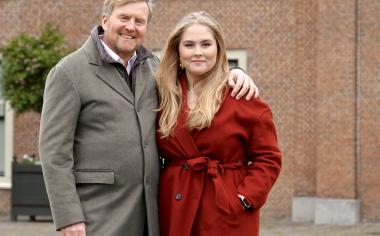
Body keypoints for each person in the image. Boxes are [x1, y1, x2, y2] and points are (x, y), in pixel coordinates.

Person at [39, 1, 258, 236]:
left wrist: (234, 73)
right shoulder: (69, 72)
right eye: (124, 18)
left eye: (139, 21)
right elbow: (54, 153)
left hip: (150, 214)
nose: (131, 27)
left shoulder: (155, 68)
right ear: (105, 20)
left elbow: (199, 73)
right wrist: (69, 218)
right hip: (98, 214)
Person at [155, 11, 282, 236]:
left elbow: (269, 158)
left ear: (218, 49)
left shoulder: (242, 96)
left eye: (206, 44)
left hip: (226, 210)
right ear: (178, 51)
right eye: (189, 45)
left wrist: (243, 198)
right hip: (175, 206)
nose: (198, 52)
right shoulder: (163, 94)